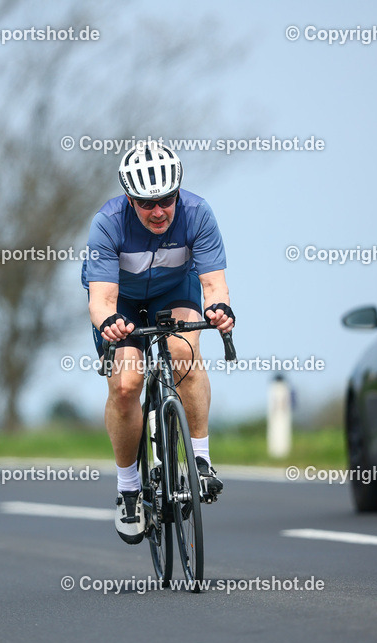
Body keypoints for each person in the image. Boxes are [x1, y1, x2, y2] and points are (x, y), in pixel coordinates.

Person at [80, 140, 235, 544]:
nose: (158, 211)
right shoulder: (108, 222)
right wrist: (111, 323)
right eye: (146, 203)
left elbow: (214, 285)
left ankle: (200, 462)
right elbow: (101, 300)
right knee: (126, 384)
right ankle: (129, 489)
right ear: (130, 200)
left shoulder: (198, 213)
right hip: (122, 301)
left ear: (178, 192)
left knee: (184, 352)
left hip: (173, 293)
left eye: (166, 199)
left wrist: (218, 309)